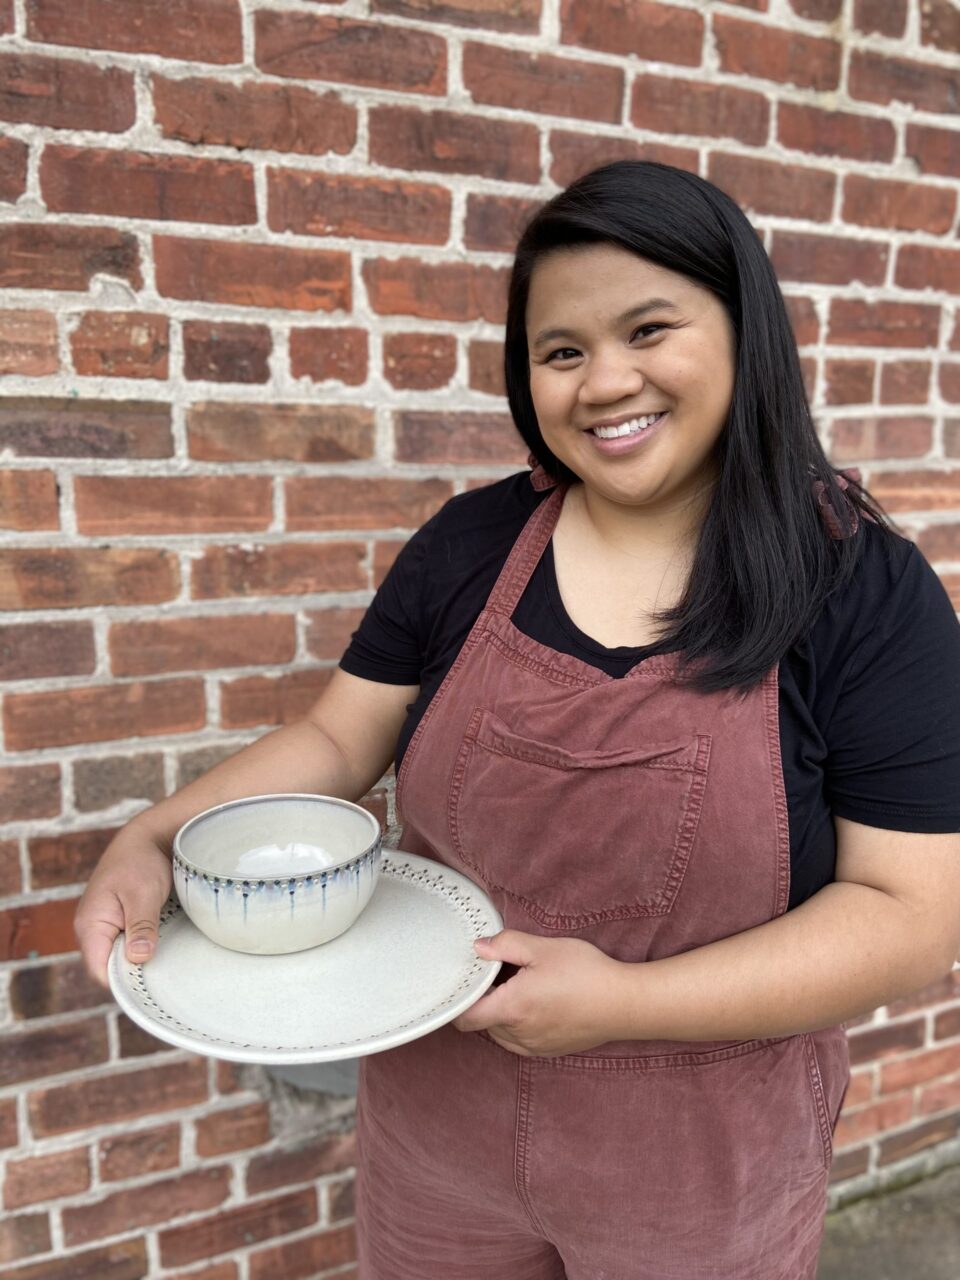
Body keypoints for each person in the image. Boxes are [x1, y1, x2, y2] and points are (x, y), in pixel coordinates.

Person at [76, 161, 960, 1279]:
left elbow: (910, 915)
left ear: (747, 330)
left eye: (649, 329)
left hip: (702, 1161)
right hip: (438, 1131)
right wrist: (154, 837)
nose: (604, 382)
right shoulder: (467, 548)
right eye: (562, 351)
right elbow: (337, 741)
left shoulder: (864, 593)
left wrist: (628, 1001)